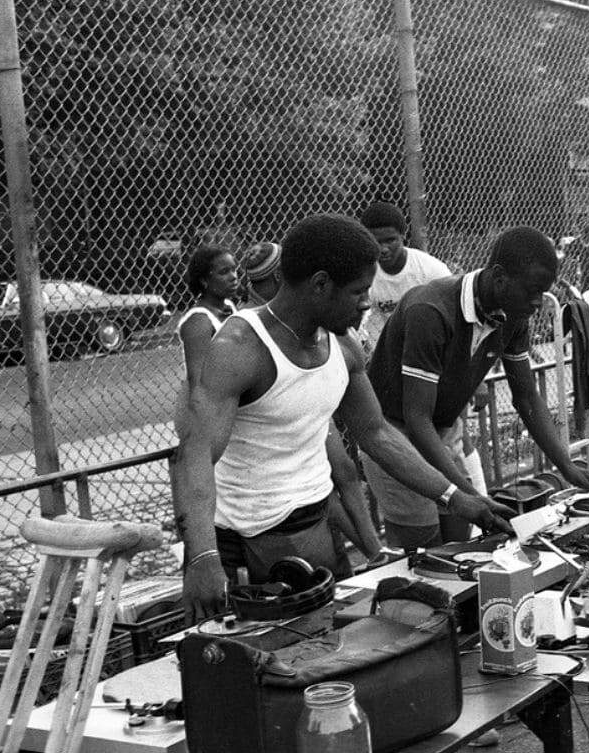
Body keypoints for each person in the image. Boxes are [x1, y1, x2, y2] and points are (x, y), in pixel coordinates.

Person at [174, 214, 514, 623]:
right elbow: (194, 454)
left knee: (330, 644)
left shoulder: (344, 344)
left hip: (312, 525)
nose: (367, 302)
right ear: (320, 285)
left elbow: (377, 433)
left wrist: (456, 498)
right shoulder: (240, 347)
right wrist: (202, 556)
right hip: (237, 543)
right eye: (358, 291)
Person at [365, 226, 589, 550]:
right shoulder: (430, 310)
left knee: (458, 543)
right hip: (394, 434)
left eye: (543, 292)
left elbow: (526, 397)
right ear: (499, 278)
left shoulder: (512, 313)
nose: (538, 302)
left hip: (439, 430)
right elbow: (416, 418)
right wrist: (467, 494)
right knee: (423, 549)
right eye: (532, 291)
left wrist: (567, 466)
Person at [238, 240, 385, 568]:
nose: (364, 302)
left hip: (306, 505)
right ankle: (370, 551)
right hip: (267, 520)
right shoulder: (243, 338)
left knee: (341, 472)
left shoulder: (326, 335)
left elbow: (369, 440)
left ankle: (372, 551)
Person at [358, 201, 451, 354]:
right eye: (376, 242)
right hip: (382, 350)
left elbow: (452, 311)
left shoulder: (431, 269)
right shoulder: (362, 273)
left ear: (403, 236)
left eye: (390, 240)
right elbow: (357, 323)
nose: (383, 249)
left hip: (425, 346)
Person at [177, 246, 238, 389]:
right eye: (224, 272)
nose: (233, 277)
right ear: (204, 280)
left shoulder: (228, 306)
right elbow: (199, 383)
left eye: (234, 269)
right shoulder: (199, 321)